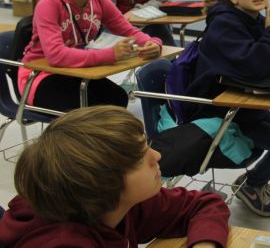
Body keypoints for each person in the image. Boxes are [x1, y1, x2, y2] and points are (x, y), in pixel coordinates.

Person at [0, 105, 230, 247]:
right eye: (139, 158)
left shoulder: (121, 204)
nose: (157, 156)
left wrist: (205, 244)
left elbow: (204, 204)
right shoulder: (62, 242)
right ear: (103, 184)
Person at [185, 0, 270, 218]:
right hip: (219, 112)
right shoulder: (224, 25)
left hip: (243, 106)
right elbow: (259, 65)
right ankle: (252, 185)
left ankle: (254, 181)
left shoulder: (254, 19)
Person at [18, 0, 162, 111]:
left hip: (76, 71)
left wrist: (153, 43)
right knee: (94, 110)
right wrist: (110, 55)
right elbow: (55, 56)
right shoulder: (48, 5)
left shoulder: (99, 0)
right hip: (39, 76)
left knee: (117, 99)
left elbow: (129, 31)